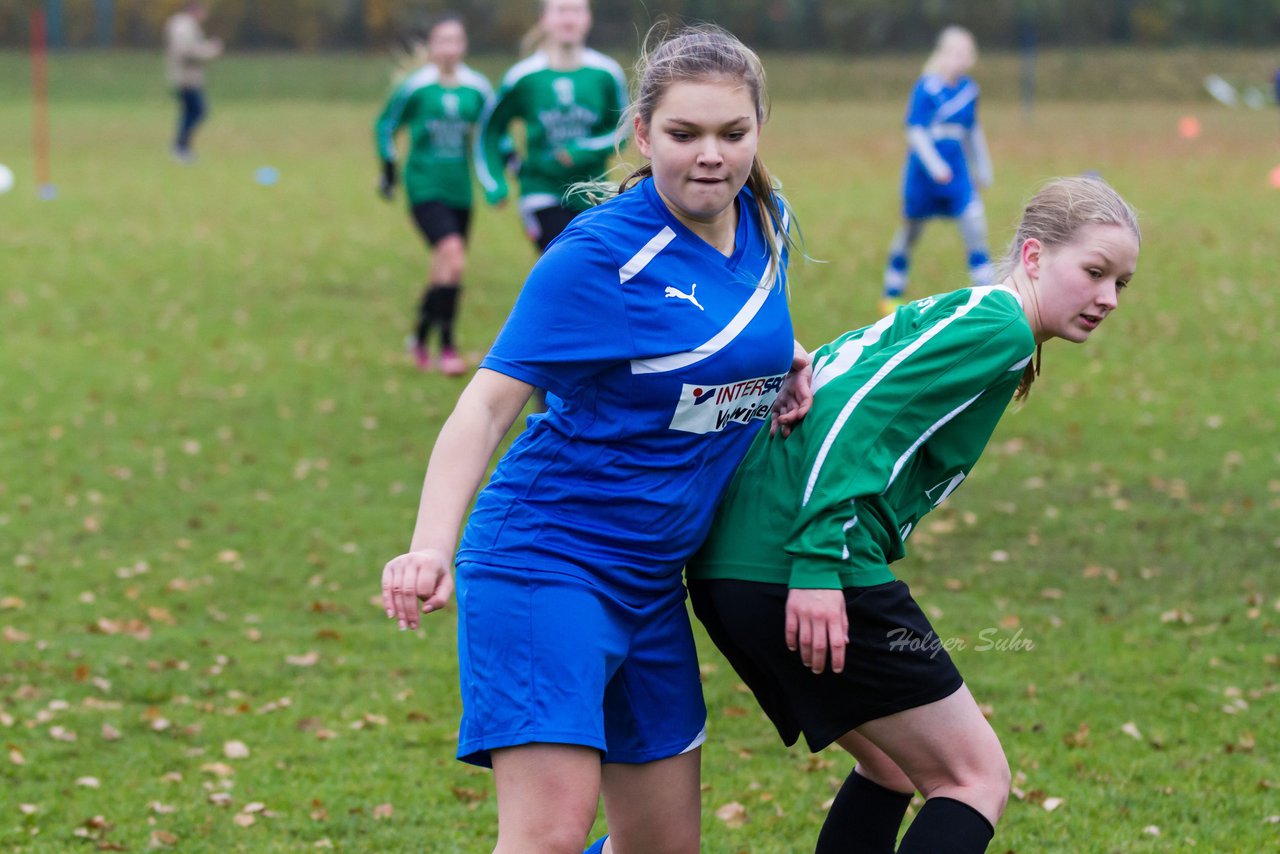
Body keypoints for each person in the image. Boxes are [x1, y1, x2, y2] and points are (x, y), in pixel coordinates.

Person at [381, 24, 809, 854]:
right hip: (547, 561)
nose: (711, 156)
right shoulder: (599, 257)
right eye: (684, 135)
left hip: (653, 584)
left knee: (659, 846)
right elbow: (487, 406)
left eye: (733, 133)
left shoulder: (767, 218)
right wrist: (429, 545)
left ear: (760, 132)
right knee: (548, 836)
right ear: (644, 135)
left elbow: (721, 333)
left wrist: (779, 365)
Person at [689, 176, 1140, 854]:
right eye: (1095, 272)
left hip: (736, 567)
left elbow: (828, 389)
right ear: (1036, 257)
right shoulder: (1000, 325)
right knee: (975, 779)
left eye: (1121, 284)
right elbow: (854, 412)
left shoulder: (962, 313)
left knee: (892, 767)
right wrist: (815, 565)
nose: (1107, 298)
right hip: (800, 562)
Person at [374, 15, 492, 375]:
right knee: (453, 257)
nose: (449, 48)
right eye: (442, 40)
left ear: (464, 46)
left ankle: (420, 338)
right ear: (432, 46)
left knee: (444, 268)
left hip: (460, 191)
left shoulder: (478, 89)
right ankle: (448, 348)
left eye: (456, 40)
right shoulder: (416, 87)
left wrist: (504, 168)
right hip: (423, 187)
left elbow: (492, 134)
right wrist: (389, 169)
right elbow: (385, 126)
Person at [475, 0, 629, 254]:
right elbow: (490, 130)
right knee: (566, 258)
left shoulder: (607, 73)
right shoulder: (523, 77)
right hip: (541, 192)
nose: (569, 19)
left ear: (587, 18)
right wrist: (495, 181)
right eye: (561, 11)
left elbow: (624, 130)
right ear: (544, 19)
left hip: (593, 194)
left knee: (587, 276)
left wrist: (582, 150)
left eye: (576, 11)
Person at [880, 25, 993, 316]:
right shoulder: (926, 88)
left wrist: (983, 168)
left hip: (957, 175)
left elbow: (972, 132)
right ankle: (891, 293)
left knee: (975, 224)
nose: (961, 58)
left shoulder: (970, 90)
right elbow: (915, 131)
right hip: (923, 178)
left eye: (966, 53)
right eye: (955, 52)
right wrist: (935, 165)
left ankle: (989, 295)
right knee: (910, 232)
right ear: (942, 54)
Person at [164, 1, 222, 164]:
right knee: (198, 111)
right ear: (195, 11)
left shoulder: (183, 25)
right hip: (186, 79)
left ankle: (182, 147)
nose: (205, 16)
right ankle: (180, 147)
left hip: (187, 78)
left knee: (191, 112)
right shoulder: (183, 26)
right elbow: (186, 52)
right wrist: (211, 50)